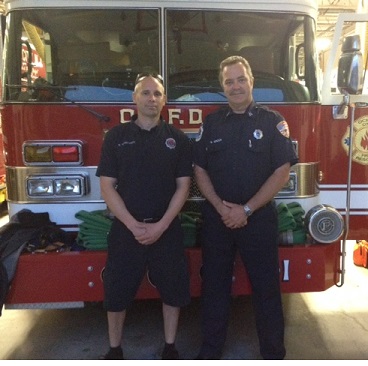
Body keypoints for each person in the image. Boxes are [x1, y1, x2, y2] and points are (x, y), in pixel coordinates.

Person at [193, 55, 298, 360]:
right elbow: (199, 168)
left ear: (252, 82)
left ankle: (273, 353)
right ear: (222, 87)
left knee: (266, 290)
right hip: (218, 220)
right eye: (229, 81)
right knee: (214, 289)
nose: (235, 86)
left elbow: (282, 172)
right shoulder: (211, 123)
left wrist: (247, 210)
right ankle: (210, 352)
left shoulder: (272, 121)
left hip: (259, 219)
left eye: (241, 79)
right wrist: (220, 207)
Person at [96, 73, 192, 360]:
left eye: (158, 94)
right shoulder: (116, 137)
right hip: (127, 229)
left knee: (173, 290)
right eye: (146, 93)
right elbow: (107, 186)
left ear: (164, 100)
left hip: (167, 229)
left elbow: (183, 187)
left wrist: (161, 226)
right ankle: (114, 349)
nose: (152, 98)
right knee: (116, 290)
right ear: (134, 98)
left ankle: (170, 346)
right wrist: (131, 224)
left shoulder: (178, 139)